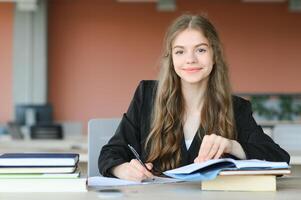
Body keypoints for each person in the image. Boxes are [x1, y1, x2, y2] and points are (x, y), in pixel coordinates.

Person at [98, 14, 290, 182]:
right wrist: (123, 170)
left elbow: (280, 158)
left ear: (214, 55)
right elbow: (111, 153)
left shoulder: (236, 108)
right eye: (180, 51)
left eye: (200, 50)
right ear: (171, 59)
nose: (190, 59)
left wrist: (233, 146)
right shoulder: (147, 95)